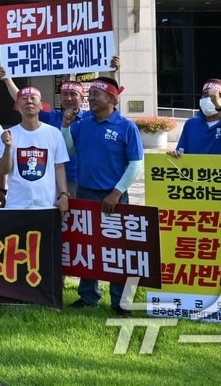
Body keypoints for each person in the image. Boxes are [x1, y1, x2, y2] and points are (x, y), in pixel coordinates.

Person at [63, 76, 143, 316]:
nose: (90, 99)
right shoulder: (84, 122)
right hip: (86, 192)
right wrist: (66, 127)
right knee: (88, 247)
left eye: (96, 94)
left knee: (116, 250)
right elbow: (69, 149)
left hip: (114, 197)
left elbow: (136, 164)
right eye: (90, 94)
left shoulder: (126, 126)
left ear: (111, 98)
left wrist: (117, 192)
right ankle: (88, 296)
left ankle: (120, 302)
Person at [0, 56, 120, 194]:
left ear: (81, 98)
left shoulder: (90, 118)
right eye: (64, 94)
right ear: (59, 97)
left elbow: (111, 101)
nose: (68, 98)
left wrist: (112, 73)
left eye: (73, 94)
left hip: (83, 180)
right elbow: (23, 100)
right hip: (53, 178)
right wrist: (8, 80)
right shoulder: (52, 117)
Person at [2, 86, 70, 212]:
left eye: (33, 98)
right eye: (24, 98)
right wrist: (7, 147)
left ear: (41, 105)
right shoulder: (8, 134)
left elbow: (59, 167)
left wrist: (64, 194)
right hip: (16, 204)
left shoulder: (54, 133)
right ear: (17, 106)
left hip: (47, 204)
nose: (29, 101)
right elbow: (4, 170)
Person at [172, 78, 221, 157]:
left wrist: (219, 106)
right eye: (205, 95)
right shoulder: (191, 123)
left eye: (213, 97)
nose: (208, 99)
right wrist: (176, 154)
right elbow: (181, 151)